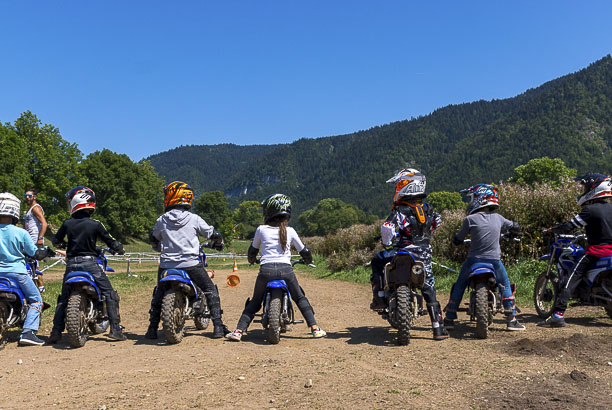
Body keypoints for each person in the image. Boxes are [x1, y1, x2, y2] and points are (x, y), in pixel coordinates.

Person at [226, 193, 326, 341]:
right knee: (299, 297)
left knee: (255, 301)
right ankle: (315, 328)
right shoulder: (290, 231)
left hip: (265, 271)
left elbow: (252, 251)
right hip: (286, 270)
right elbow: (305, 251)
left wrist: (252, 260)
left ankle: (239, 331)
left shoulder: (261, 230)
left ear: (268, 212)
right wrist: (307, 260)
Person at [370, 169, 449, 340]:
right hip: (424, 255)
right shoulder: (429, 209)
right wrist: (427, 234)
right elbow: (437, 222)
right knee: (428, 288)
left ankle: (379, 296)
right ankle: (438, 328)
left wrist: (388, 242)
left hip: (404, 252)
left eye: (400, 184)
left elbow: (387, 228)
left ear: (407, 186)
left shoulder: (400, 210)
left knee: (377, 261)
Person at [145, 181, 229, 339]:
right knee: (210, 290)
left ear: (171, 196)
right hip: (191, 264)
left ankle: (152, 329)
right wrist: (219, 242)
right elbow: (213, 234)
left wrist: (157, 245)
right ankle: (218, 327)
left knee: (158, 294)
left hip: (167, 265)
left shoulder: (161, 220)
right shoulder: (194, 218)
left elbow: (154, 238)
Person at [48, 186, 127, 343]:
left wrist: (64, 244)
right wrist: (118, 248)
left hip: (71, 264)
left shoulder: (67, 223)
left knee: (64, 298)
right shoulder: (95, 224)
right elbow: (111, 241)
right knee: (110, 293)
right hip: (90, 263)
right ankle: (116, 330)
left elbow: (56, 241)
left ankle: (56, 332)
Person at [443, 184, 525, 331]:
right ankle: (511, 319)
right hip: (494, 261)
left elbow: (459, 238)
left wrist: (456, 241)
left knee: (461, 283)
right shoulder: (499, 218)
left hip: (474, 259)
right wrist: (514, 232)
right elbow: (515, 226)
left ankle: (449, 317)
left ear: (480, 199)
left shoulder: (470, 219)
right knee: (504, 283)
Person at [538, 173, 612, 328]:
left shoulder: (590, 210)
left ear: (594, 189)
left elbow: (569, 226)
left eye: (585, 187)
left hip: (596, 252)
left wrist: (552, 229)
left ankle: (558, 315)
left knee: (570, 279)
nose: (583, 190)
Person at [0, 193, 53, 346]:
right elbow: (35, 253)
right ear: (15, 211)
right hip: (17, 273)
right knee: (36, 300)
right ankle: (28, 332)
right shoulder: (21, 233)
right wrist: (46, 252)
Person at [23, 188, 48, 292]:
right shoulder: (30, 209)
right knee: (33, 264)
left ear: (34, 197)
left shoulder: (35, 208)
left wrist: (40, 238)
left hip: (34, 239)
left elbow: (44, 223)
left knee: (33, 263)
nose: (27, 198)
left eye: (29, 196)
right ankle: (38, 287)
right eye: (26, 196)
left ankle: (40, 288)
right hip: (29, 239)